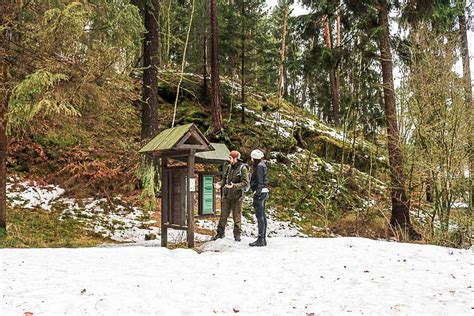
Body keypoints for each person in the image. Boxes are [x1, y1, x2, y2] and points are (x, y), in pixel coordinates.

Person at [212, 150, 250, 242]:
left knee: (236, 218)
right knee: (223, 216)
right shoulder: (229, 167)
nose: (229, 160)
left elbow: (245, 183)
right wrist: (219, 184)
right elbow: (224, 179)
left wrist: (235, 186)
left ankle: (237, 236)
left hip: (237, 197)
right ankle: (220, 234)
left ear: (235, 158)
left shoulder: (243, 168)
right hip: (227, 196)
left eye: (231, 158)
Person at [249, 149, 269, 247]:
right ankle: (262, 238)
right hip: (263, 192)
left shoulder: (259, 167)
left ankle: (261, 239)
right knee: (262, 216)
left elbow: (260, 182)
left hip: (260, 193)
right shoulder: (262, 165)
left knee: (260, 216)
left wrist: (257, 194)